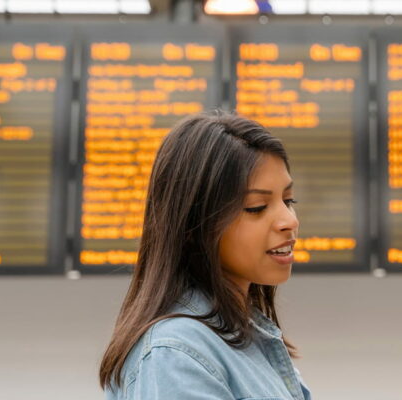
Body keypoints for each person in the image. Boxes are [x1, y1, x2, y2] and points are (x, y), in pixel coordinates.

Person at [99, 111, 310, 400]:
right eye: (256, 207)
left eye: (288, 201)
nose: (289, 220)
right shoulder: (176, 356)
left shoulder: (245, 337)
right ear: (193, 225)